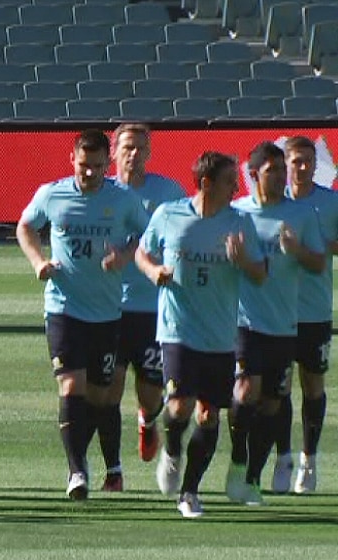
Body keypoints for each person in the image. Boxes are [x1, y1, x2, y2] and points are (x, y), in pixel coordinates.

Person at [16, 129, 148, 501]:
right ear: (70, 160)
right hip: (63, 308)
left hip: (106, 312)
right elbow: (25, 226)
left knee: (101, 397)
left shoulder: (122, 199)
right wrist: (38, 261)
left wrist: (124, 255)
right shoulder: (52, 194)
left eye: (96, 166)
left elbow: (149, 233)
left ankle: (113, 467)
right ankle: (77, 471)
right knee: (71, 387)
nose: (88, 173)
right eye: (83, 165)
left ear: (108, 164)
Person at [136, 151, 266, 518]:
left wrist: (243, 262)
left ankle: (190, 492)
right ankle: (172, 448)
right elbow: (142, 254)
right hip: (177, 330)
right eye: (229, 181)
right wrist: (153, 271)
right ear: (206, 183)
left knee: (209, 416)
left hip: (221, 335)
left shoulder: (239, 222)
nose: (236, 188)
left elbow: (260, 273)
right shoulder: (169, 215)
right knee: (178, 406)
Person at [225, 141, 325, 506]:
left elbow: (317, 264)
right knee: (245, 392)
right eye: (274, 171)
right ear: (253, 176)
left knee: (271, 403)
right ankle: (238, 460)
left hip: (284, 324)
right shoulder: (236, 214)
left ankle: (251, 477)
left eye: (283, 170)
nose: (282, 177)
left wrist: (297, 251)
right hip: (244, 322)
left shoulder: (300, 215)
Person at [99, 123, 186, 491]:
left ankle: (148, 421)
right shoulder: (98, 193)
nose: (133, 155)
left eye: (140, 148)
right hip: (108, 307)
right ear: (113, 153)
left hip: (153, 308)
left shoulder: (167, 193)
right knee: (109, 387)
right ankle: (113, 471)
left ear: (149, 153)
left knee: (151, 393)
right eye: (127, 147)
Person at [271, 135, 338, 494]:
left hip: (313, 311)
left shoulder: (329, 203)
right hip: (277, 312)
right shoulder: (272, 205)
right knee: (278, 388)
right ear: (284, 164)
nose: (302, 167)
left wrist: (322, 246)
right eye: (296, 161)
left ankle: (309, 461)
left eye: (308, 161)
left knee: (312, 384)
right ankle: (283, 459)